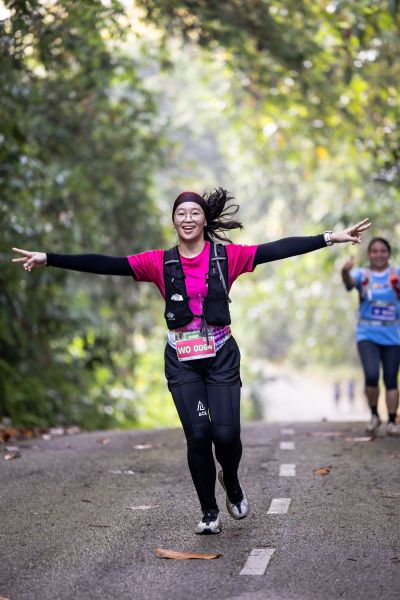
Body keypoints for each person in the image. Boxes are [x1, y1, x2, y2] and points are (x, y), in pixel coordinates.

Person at [13, 189, 371, 534]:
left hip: (221, 356)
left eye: (194, 213)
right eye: (181, 213)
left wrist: (330, 237)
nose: (188, 218)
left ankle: (231, 480)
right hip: (182, 360)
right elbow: (108, 264)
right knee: (198, 435)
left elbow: (274, 249)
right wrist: (50, 258)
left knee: (226, 436)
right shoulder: (158, 262)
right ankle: (209, 512)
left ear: (204, 220)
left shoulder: (227, 257)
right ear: (173, 221)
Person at [341, 237, 400, 437]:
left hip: (393, 335)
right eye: (374, 251)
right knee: (372, 375)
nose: (379, 255)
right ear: (369, 254)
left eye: (383, 251)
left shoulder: (397, 274)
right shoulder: (362, 275)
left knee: (391, 378)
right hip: (367, 334)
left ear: (389, 253)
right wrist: (344, 271)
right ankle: (374, 415)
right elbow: (349, 283)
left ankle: (391, 421)